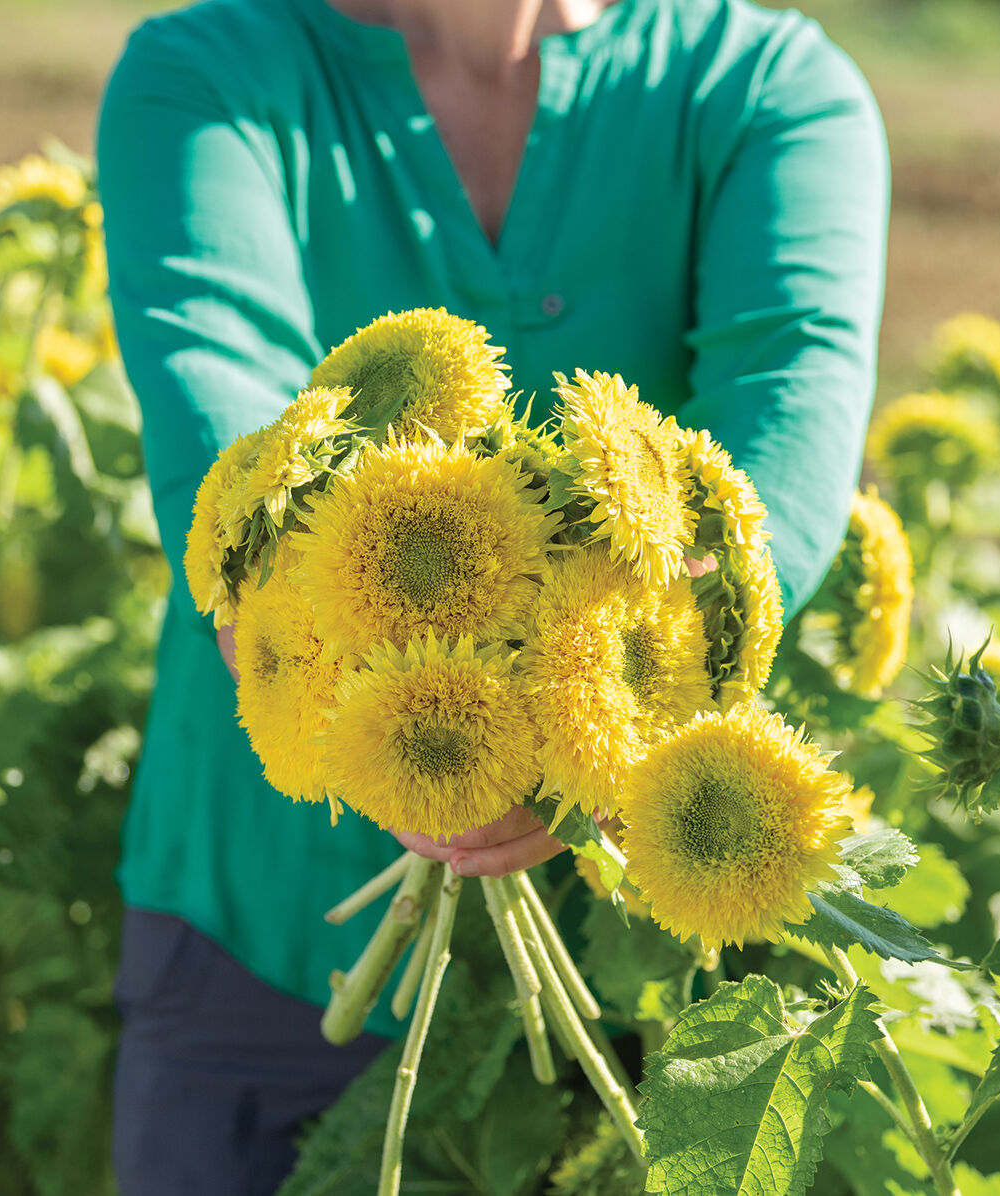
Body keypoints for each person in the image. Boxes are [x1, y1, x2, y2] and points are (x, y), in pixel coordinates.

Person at [94, 0, 887, 1184]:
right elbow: (224, 414)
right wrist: (402, 737)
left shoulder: (768, 88)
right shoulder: (209, 72)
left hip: (627, 943)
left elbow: (783, 435)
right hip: (259, 921)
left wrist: (587, 735)